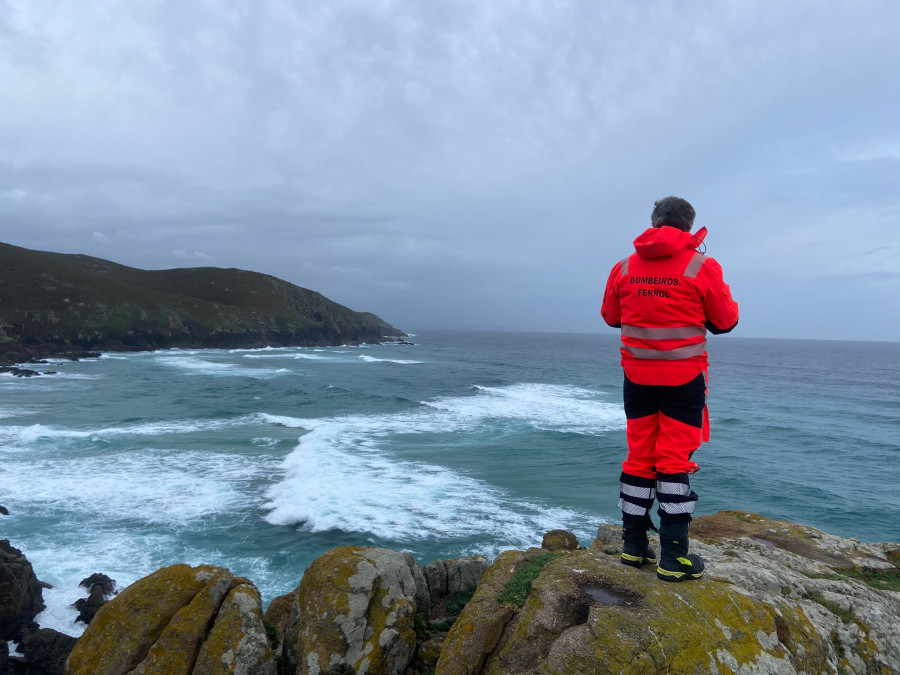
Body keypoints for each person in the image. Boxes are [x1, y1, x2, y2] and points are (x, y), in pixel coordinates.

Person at [600, 196, 739, 582]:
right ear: (689, 227)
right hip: (683, 380)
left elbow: (611, 316)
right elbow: (725, 322)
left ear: (655, 221)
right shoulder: (702, 266)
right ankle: (674, 557)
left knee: (639, 456)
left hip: (638, 379)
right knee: (673, 460)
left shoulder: (624, 266)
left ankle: (633, 548)